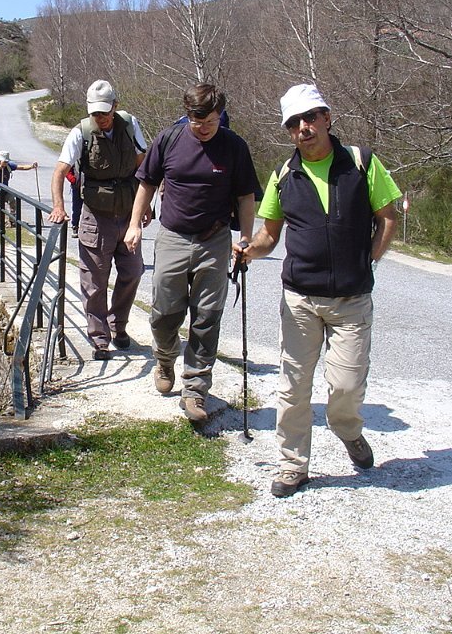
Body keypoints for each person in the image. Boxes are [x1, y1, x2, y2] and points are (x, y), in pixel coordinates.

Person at [242, 83, 401, 498]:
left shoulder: (362, 163)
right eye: (294, 123)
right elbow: (269, 236)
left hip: (351, 299)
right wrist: (248, 250)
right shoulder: (283, 175)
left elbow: (387, 217)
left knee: (346, 387)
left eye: (310, 117)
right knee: (293, 387)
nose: (303, 127)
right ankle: (293, 466)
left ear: (327, 118)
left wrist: (369, 260)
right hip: (300, 300)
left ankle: (348, 430)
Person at [124, 83, 260, 422]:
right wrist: (134, 224)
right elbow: (147, 182)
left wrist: (246, 238)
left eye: (211, 121)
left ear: (220, 116)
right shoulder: (169, 139)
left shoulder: (234, 147)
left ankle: (196, 389)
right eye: (198, 121)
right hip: (172, 236)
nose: (204, 128)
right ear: (187, 115)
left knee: (207, 316)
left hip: (214, 240)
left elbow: (246, 196)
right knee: (164, 312)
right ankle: (165, 359)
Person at [50, 79, 150, 360]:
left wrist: (145, 206)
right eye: (95, 113)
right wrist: (59, 206)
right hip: (96, 217)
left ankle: (119, 326)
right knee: (94, 282)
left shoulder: (130, 125)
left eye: (105, 112)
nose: (101, 118)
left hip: (128, 215)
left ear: (115, 106)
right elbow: (60, 171)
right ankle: (99, 338)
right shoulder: (80, 133)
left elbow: (144, 166)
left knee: (132, 272)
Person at [0, 151, 37, 228]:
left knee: (13, 202)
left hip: (5, 190)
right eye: (4, 161)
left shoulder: (9, 165)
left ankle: (13, 221)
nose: (6, 163)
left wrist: (31, 166)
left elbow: (21, 167)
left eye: (6, 161)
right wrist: (1, 166)